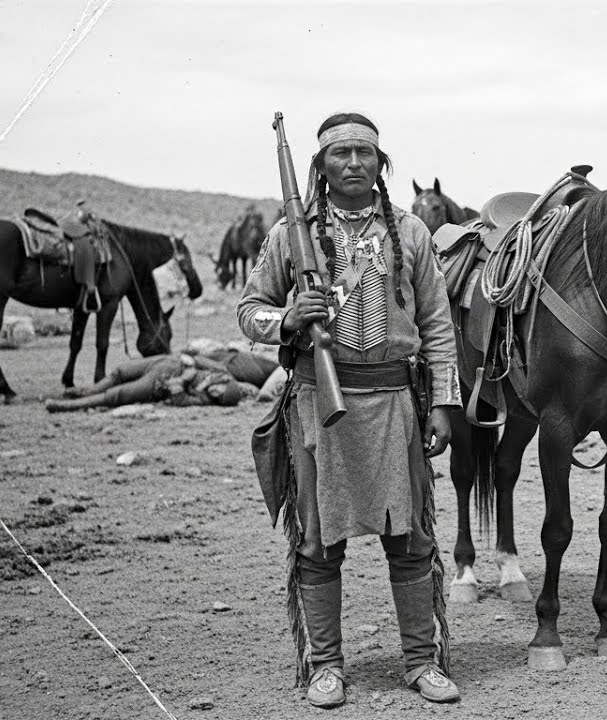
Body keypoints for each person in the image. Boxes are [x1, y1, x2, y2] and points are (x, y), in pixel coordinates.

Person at [238, 112, 461, 709]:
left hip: (395, 405)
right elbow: (249, 310)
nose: (355, 163)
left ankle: (421, 661)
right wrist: (286, 318)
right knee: (317, 542)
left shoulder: (411, 232)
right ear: (320, 167)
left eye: (366, 152)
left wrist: (443, 403)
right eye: (342, 154)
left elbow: (438, 325)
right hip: (317, 407)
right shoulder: (292, 234)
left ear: (381, 164)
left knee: (411, 539)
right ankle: (326, 667)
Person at [43, 353, 246, 412]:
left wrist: (183, 380)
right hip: (167, 360)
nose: (216, 394)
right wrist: (192, 363)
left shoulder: (204, 399)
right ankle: (84, 392)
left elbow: (180, 399)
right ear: (226, 383)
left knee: (118, 395)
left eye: (219, 398)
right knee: (120, 372)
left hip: (160, 381)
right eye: (220, 391)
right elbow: (196, 358)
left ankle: (65, 406)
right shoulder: (222, 371)